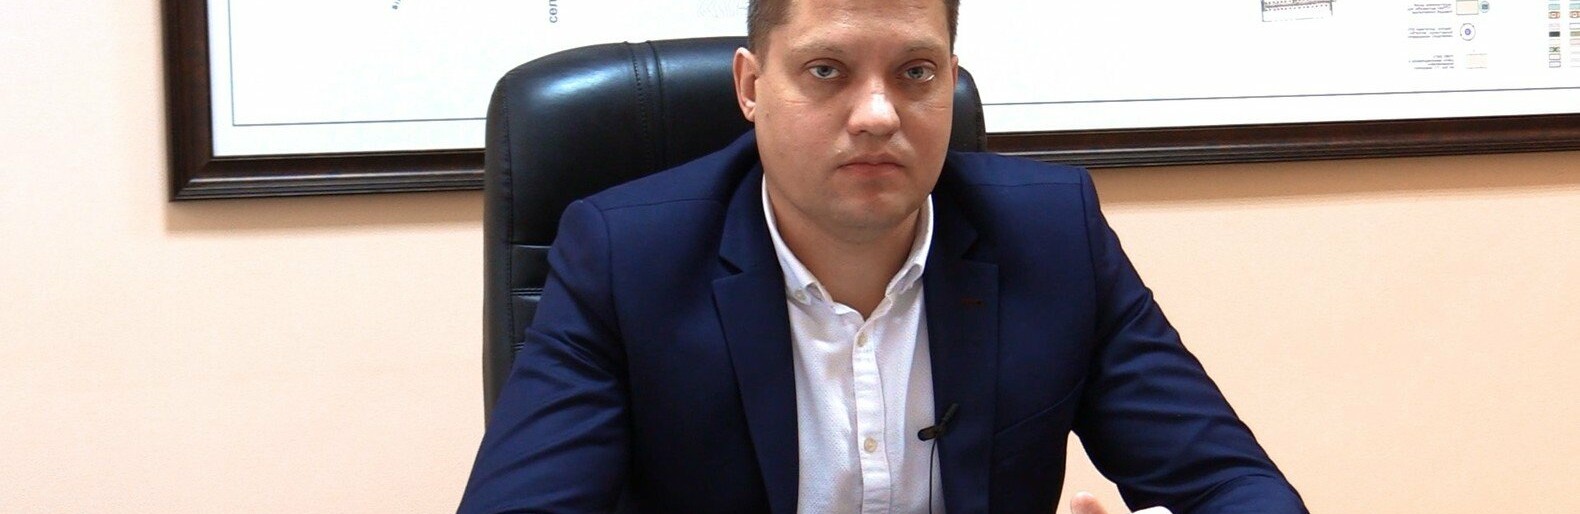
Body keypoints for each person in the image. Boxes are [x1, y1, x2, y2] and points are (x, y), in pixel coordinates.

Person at [458, 0, 1308, 512]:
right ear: (751, 86)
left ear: (951, 79)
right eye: (827, 71)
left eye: (915, 72)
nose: (877, 114)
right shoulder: (623, 258)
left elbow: (1232, 484)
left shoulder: (1054, 235)